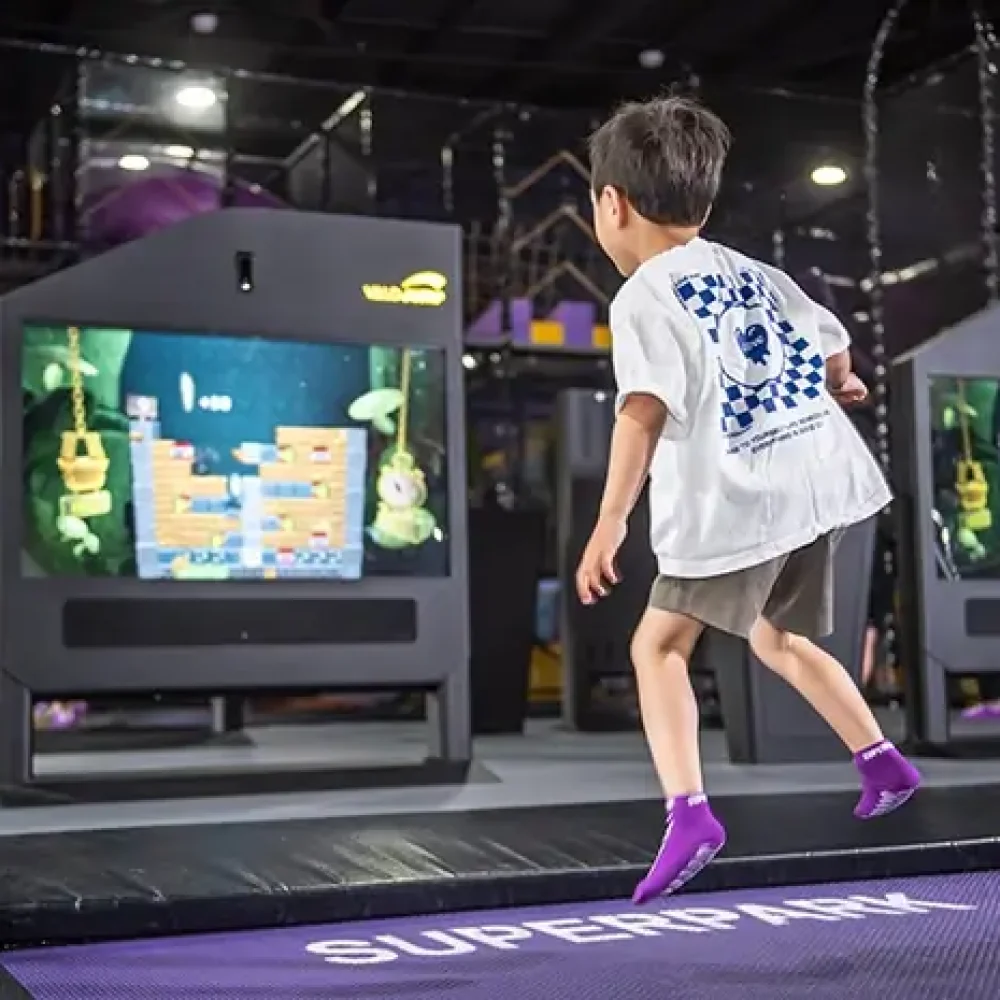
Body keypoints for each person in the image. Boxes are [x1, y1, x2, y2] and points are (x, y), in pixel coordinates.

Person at [575, 95, 921, 905]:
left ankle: (690, 815)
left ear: (611, 204)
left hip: (745, 500)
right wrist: (844, 382)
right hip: (816, 487)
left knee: (656, 649)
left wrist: (610, 521)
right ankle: (883, 761)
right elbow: (832, 340)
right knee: (778, 637)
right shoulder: (753, 271)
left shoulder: (644, 297)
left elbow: (643, 409)